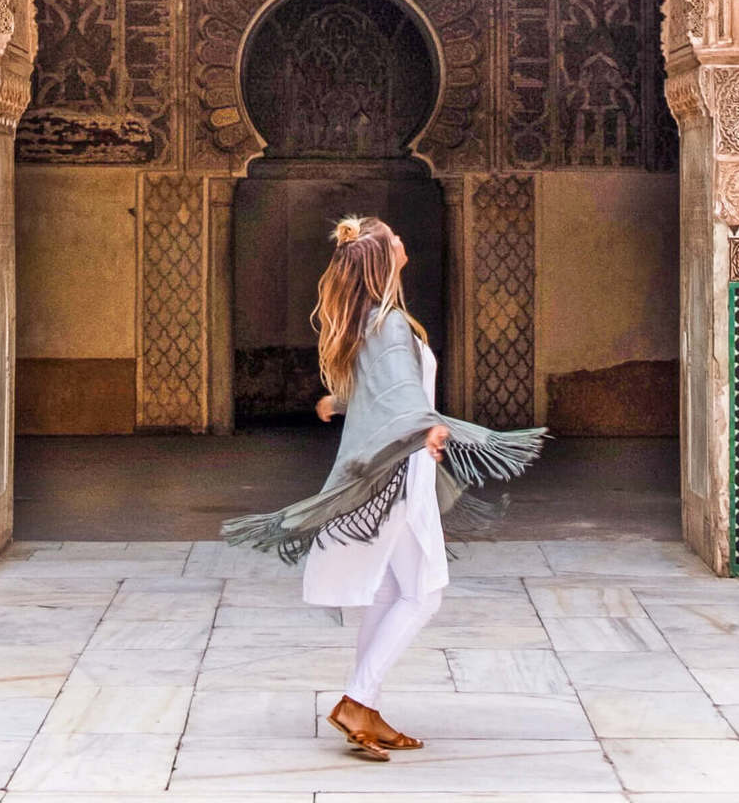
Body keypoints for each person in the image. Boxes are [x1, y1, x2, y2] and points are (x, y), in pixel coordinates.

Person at [223, 215, 546, 762]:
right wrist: (428, 426)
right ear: (383, 256)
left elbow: (386, 390)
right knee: (424, 594)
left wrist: (343, 403)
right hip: (404, 470)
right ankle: (356, 700)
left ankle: (364, 707)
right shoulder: (390, 323)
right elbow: (398, 397)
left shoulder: (376, 322)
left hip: (398, 465)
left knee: (397, 591)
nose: (403, 242)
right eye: (396, 238)